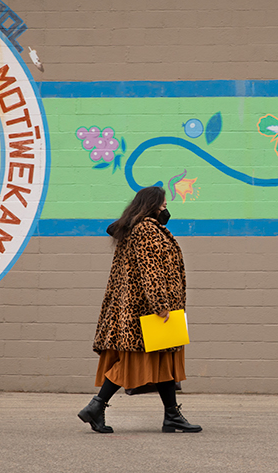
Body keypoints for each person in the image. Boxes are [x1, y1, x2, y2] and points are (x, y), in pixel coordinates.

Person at [78, 186, 202, 434]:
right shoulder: (145, 229)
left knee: (163, 361)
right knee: (133, 363)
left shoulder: (138, 228)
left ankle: (171, 416)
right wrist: (161, 305)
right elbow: (150, 269)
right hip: (146, 313)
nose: (166, 211)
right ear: (153, 206)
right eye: (164, 206)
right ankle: (96, 406)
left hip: (144, 310)